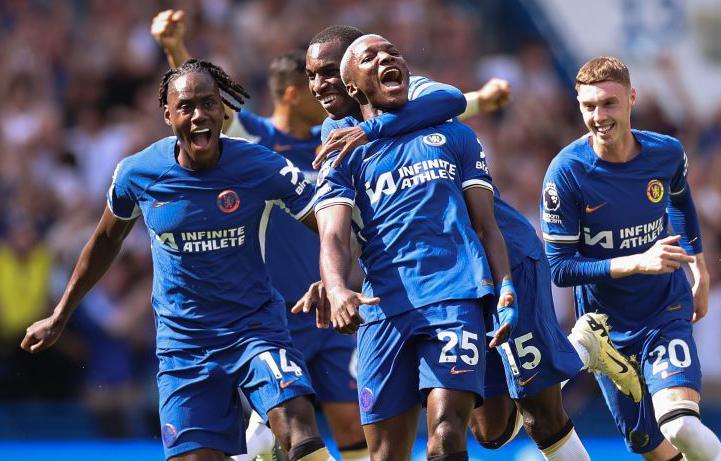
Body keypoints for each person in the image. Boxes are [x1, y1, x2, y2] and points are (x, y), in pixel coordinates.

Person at [299, 26, 643, 461]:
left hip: (503, 258)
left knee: (540, 412)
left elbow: (453, 101)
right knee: (492, 432)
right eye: (312, 75)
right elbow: (346, 226)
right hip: (425, 285)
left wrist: (378, 129)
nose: (320, 84)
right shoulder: (337, 133)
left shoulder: (417, 100)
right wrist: (331, 281)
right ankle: (563, 355)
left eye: (328, 71)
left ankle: (580, 348)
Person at [20, 59, 336, 461]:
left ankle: (269, 441)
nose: (199, 115)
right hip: (184, 344)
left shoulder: (261, 165)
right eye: (186, 106)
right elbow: (103, 241)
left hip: (255, 330)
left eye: (208, 103)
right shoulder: (138, 173)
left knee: (300, 430)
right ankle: (256, 450)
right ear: (168, 114)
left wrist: (336, 279)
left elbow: (327, 218)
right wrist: (60, 314)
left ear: (224, 110)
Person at [151, 11, 366, 460]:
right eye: (311, 83)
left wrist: (479, 99)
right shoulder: (259, 142)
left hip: (331, 297)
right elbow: (205, 104)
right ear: (292, 91)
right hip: (280, 309)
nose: (323, 92)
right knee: (274, 428)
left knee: (348, 417)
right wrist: (175, 46)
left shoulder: (334, 140)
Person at [314, 34, 519, 461]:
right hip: (383, 311)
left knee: (445, 437)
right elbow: (333, 233)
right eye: (369, 58)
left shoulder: (450, 135)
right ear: (352, 86)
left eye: (391, 53)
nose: (386, 58)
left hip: (453, 297)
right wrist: (335, 287)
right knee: (386, 455)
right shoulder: (341, 150)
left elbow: (486, 225)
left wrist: (505, 287)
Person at [541, 55, 721, 461]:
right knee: (650, 447)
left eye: (609, 103)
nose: (599, 116)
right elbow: (560, 268)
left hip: (664, 308)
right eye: (589, 106)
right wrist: (637, 262)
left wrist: (700, 268)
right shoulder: (566, 173)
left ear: (631, 98)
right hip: (606, 333)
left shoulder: (665, 153)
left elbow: (681, 201)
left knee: (680, 425)